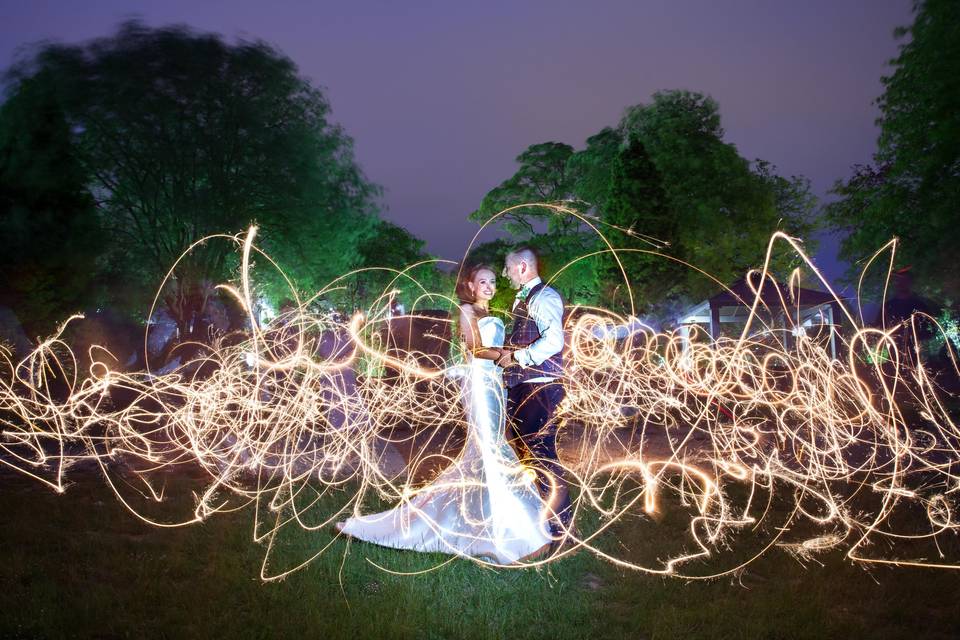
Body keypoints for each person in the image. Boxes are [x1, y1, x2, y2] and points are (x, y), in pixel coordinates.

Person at [334, 264, 553, 564]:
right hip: (478, 385)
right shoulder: (467, 312)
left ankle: (509, 525)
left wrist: (513, 358)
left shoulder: (493, 316)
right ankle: (499, 532)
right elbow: (475, 349)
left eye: (492, 281)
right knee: (490, 450)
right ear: (471, 286)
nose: (489, 286)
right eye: (482, 282)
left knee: (491, 451)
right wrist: (509, 356)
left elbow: (496, 349)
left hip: (495, 384)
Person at [496, 248, 574, 552]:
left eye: (507, 268)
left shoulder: (544, 297)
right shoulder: (527, 299)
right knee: (529, 454)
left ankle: (560, 527)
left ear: (522, 267)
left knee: (542, 456)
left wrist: (516, 356)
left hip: (539, 388)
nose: (505, 274)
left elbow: (554, 340)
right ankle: (546, 519)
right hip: (525, 385)